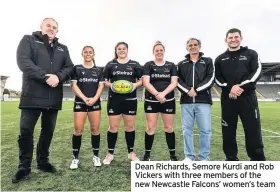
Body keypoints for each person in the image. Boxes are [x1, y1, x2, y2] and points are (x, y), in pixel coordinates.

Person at [13, 18, 74, 183]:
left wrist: (59, 77)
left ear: (57, 31)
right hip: (31, 96)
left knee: (47, 132)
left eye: (55, 27)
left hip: (52, 98)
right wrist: (46, 77)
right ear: (41, 27)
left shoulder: (63, 48)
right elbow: (23, 62)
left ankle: (43, 162)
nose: (51, 29)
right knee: (26, 132)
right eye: (49, 25)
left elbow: (70, 67)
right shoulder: (28, 40)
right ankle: (23, 167)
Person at [215, 28, 266, 161]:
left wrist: (240, 87)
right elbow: (217, 78)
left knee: (252, 131)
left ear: (241, 38)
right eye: (230, 38)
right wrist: (231, 88)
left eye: (236, 37)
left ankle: (257, 159)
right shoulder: (220, 58)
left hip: (248, 99)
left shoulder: (251, 53)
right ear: (225, 40)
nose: (233, 40)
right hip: (228, 99)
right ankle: (231, 158)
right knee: (228, 132)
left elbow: (257, 72)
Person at [102, 42, 142, 165]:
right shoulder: (110, 64)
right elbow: (104, 81)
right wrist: (112, 85)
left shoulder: (135, 64)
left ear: (127, 50)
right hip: (114, 99)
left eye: (123, 48)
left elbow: (142, 80)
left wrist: (134, 85)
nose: (121, 50)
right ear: (116, 50)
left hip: (130, 99)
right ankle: (110, 154)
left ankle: (131, 153)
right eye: (119, 49)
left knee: (129, 127)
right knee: (113, 127)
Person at [177, 38, 214, 161]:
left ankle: (204, 157)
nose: (193, 47)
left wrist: (196, 90)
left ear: (200, 46)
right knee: (187, 130)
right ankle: (189, 156)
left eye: (195, 45)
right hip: (186, 102)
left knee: (205, 131)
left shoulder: (208, 61)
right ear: (187, 48)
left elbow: (210, 78)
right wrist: (188, 90)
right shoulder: (181, 64)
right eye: (190, 45)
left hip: (203, 101)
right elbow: (178, 81)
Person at [142, 41, 178, 161]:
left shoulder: (171, 65)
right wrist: (157, 94)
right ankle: (147, 155)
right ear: (153, 52)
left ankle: (172, 156)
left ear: (164, 51)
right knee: (151, 127)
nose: (159, 52)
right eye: (156, 50)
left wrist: (163, 94)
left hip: (168, 99)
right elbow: (146, 82)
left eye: (161, 50)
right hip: (151, 100)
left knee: (168, 127)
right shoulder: (148, 65)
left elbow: (174, 83)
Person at [69, 46, 104, 169]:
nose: (88, 54)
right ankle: (75, 158)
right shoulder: (76, 68)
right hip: (80, 102)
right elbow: (74, 86)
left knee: (95, 129)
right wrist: (84, 98)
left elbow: (101, 86)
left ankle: (96, 156)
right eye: (85, 52)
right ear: (82, 54)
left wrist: (94, 99)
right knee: (78, 130)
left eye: (90, 52)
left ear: (93, 54)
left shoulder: (99, 70)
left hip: (95, 103)